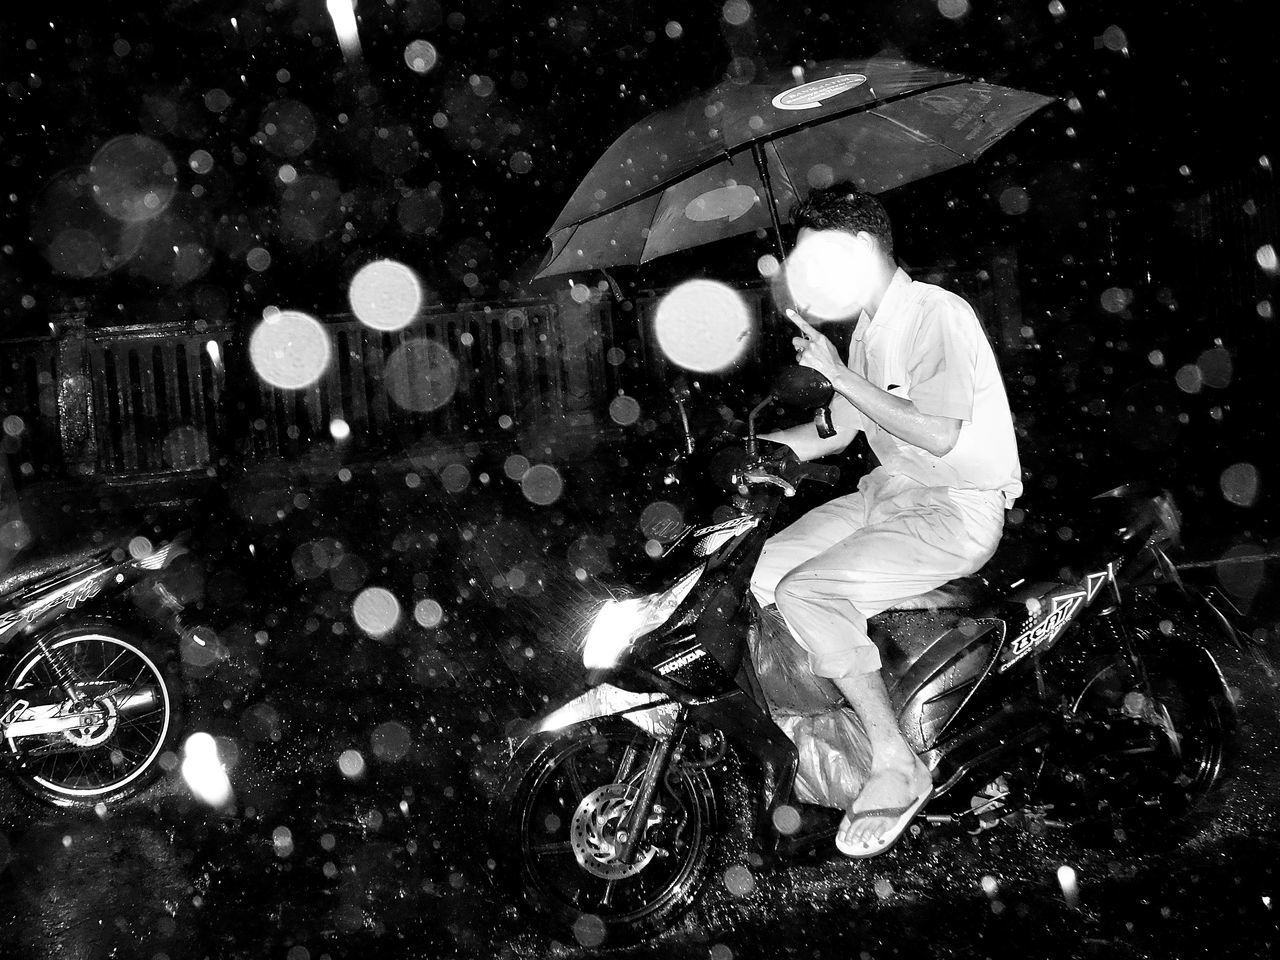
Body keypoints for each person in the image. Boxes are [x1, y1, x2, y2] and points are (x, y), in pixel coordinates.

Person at [750, 185, 1022, 857]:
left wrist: (842, 376)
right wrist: (760, 452)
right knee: (759, 574)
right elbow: (837, 429)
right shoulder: (868, 332)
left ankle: (896, 762)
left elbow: (937, 432)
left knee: (807, 591)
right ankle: (833, 737)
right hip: (888, 495)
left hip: (954, 505)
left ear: (865, 249)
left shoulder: (936, 314)